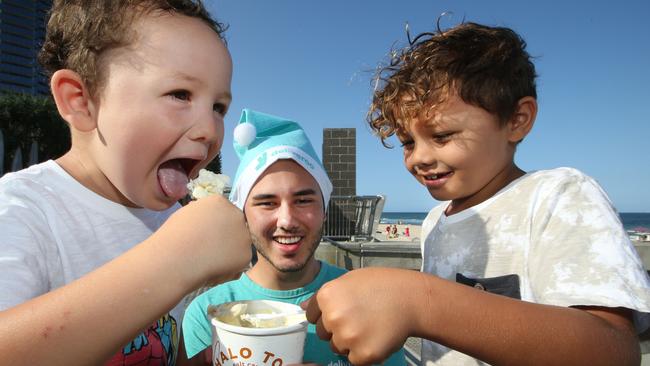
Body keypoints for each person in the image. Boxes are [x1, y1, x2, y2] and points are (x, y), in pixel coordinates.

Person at [303, 22, 650, 365]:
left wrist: (419, 302)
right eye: (408, 143)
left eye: (442, 135)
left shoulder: (558, 197)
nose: (420, 158)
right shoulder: (436, 220)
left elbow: (613, 349)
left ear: (517, 119)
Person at [0, 2, 252, 365]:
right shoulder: (22, 209)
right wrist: (175, 261)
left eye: (219, 107)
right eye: (180, 94)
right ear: (81, 100)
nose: (210, 130)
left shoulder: (169, 222)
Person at [182, 109, 406, 365]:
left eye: (303, 200)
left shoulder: (364, 301)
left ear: (324, 211)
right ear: (243, 216)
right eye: (267, 203)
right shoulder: (207, 313)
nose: (287, 221)